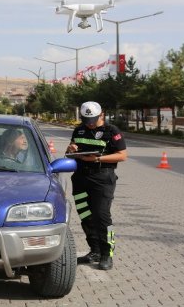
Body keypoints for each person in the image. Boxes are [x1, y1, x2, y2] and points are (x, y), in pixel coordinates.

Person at [66, 101, 127, 270]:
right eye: (86, 120)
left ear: (102, 115)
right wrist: (71, 149)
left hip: (102, 178)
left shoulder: (111, 131)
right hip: (80, 178)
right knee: (86, 216)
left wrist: (98, 159)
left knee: (101, 216)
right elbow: (70, 151)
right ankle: (94, 251)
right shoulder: (79, 129)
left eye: (92, 120)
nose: (89, 123)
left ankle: (107, 254)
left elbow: (122, 156)